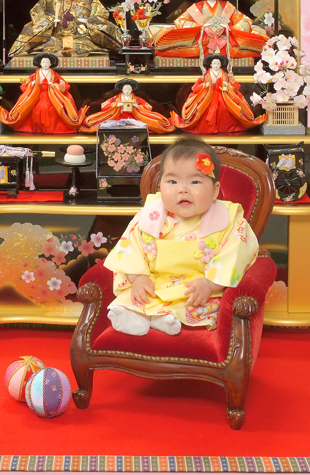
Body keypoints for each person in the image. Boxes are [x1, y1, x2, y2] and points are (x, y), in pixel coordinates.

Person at [103, 137, 259, 336]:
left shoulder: (227, 220)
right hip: (154, 283)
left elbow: (236, 255)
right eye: (172, 181)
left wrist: (210, 284)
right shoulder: (150, 215)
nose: (182, 189)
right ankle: (133, 316)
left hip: (196, 287)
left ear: (215, 191)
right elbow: (130, 249)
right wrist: (138, 278)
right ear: (160, 186)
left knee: (195, 304)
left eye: (195, 181)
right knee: (137, 296)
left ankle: (166, 318)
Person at [152, 0, 267, 60]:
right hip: (202, 38)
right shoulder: (196, 7)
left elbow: (245, 20)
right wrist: (200, 27)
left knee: (237, 47)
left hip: (224, 37)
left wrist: (230, 28)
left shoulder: (227, 6)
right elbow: (180, 21)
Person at [8, 0, 122, 58]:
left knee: (81, 47)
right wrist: (50, 20)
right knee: (52, 47)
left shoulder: (89, 0)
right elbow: (36, 12)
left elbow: (101, 14)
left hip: (80, 36)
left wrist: (88, 20)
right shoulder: (50, 0)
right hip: (56, 36)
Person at [173, 53, 267, 133]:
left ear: (221, 64)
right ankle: (208, 128)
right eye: (214, 63)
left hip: (223, 95)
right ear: (210, 64)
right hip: (208, 96)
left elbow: (234, 85)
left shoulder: (225, 74)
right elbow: (196, 86)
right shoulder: (206, 75)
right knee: (204, 110)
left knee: (224, 112)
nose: (216, 65)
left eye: (218, 63)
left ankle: (225, 127)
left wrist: (227, 87)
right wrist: (205, 85)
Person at [0, 53, 87, 133]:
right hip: (37, 94)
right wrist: (32, 84)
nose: (45, 64)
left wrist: (54, 85)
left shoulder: (54, 74)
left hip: (51, 95)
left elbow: (63, 84)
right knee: (35, 108)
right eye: (43, 62)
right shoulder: (36, 73)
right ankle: (37, 128)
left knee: (53, 109)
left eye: (47, 62)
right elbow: (27, 82)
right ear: (40, 63)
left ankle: (52, 128)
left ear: (51, 64)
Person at [80, 78, 175, 133]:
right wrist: (117, 105)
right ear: (122, 90)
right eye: (125, 89)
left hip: (134, 117)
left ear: (132, 90)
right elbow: (105, 105)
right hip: (118, 117)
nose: (127, 91)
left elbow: (147, 107)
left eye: (129, 89)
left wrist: (136, 106)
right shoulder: (116, 98)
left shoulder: (136, 98)